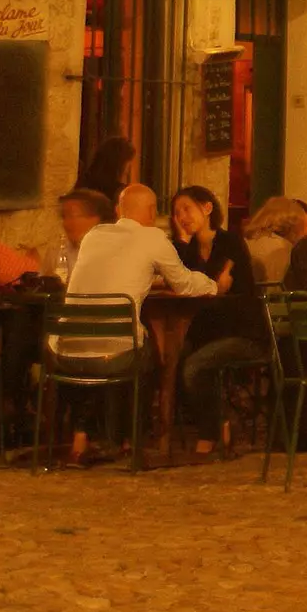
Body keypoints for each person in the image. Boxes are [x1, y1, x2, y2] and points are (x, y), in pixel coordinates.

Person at [58, 185, 218, 462]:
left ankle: (84, 435)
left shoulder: (94, 236)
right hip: (115, 353)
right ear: (153, 212)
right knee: (150, 358)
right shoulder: (153, 238)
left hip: (64, 349)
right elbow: (184, 284)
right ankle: (131, 440)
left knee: (103, 352)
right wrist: (213, 285)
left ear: (120, 211)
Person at [171, 185, 263, 457]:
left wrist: (210, 286)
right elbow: (188, 283)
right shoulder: (185, 249)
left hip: (240, 332)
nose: (182, 217)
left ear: (207, 207)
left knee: (193, 367)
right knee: (170, 360)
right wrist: (184, 246)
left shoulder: (230, 242)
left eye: (187, 208)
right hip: (201, 331)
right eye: (177, 213)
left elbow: (226, 289)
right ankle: (217, 422)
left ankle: (210, 433)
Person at [243, 197, 307, 289]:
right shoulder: (284, 249)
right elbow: (278, 292)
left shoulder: (247, 242)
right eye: (306, 225)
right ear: (295, 225)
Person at [53, 189, 116, 279]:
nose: (66, 223)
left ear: (97, 218)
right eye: (64, 216)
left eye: (72, 215)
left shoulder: (115, 254)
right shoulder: (58, 253)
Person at [76, 136, 137, 204]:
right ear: (121, 163)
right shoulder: (120, 193)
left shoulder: (83, 182)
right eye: (129, 162)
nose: (129, 168)